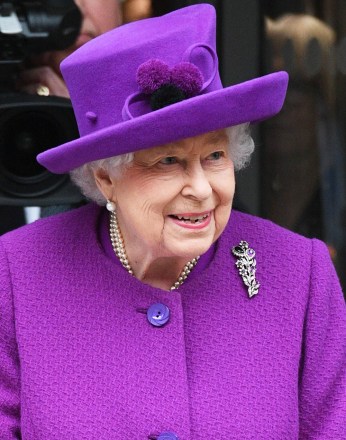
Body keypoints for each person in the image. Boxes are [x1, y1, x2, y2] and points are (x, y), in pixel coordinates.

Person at [0, 4, 345, 439]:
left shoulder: (300, 272)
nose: (202, 189)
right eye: (169, 161)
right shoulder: (17, 273)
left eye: (215, 155)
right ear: (105, 177)